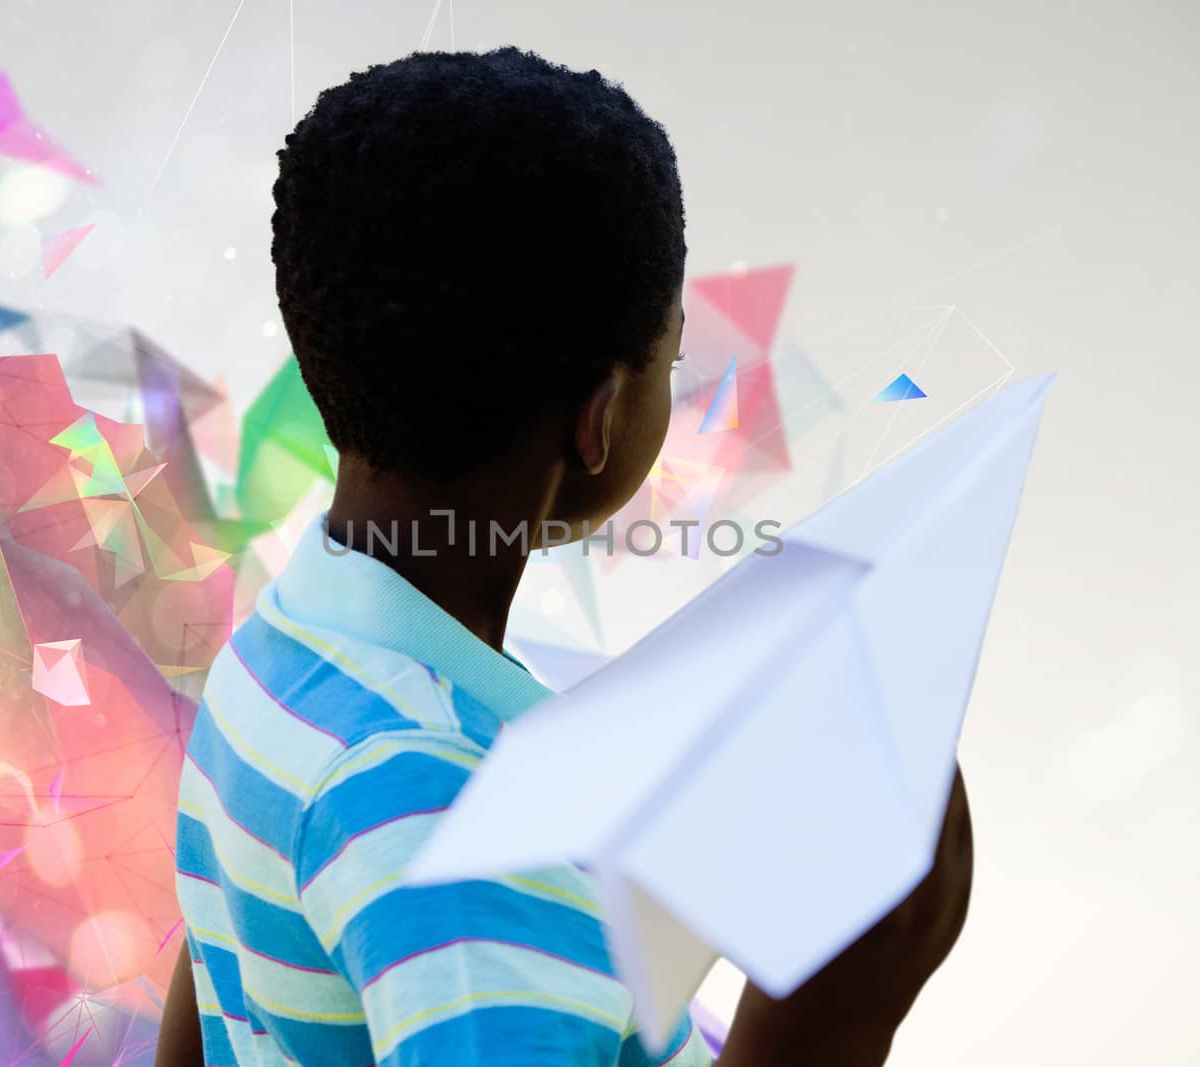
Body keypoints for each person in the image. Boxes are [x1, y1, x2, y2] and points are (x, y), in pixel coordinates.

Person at [156, 46, 972, 1067]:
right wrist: (823, 1018)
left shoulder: (273, 663)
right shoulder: (466, 840)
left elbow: (222, 989)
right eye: (667, 359)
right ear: (598, 419)